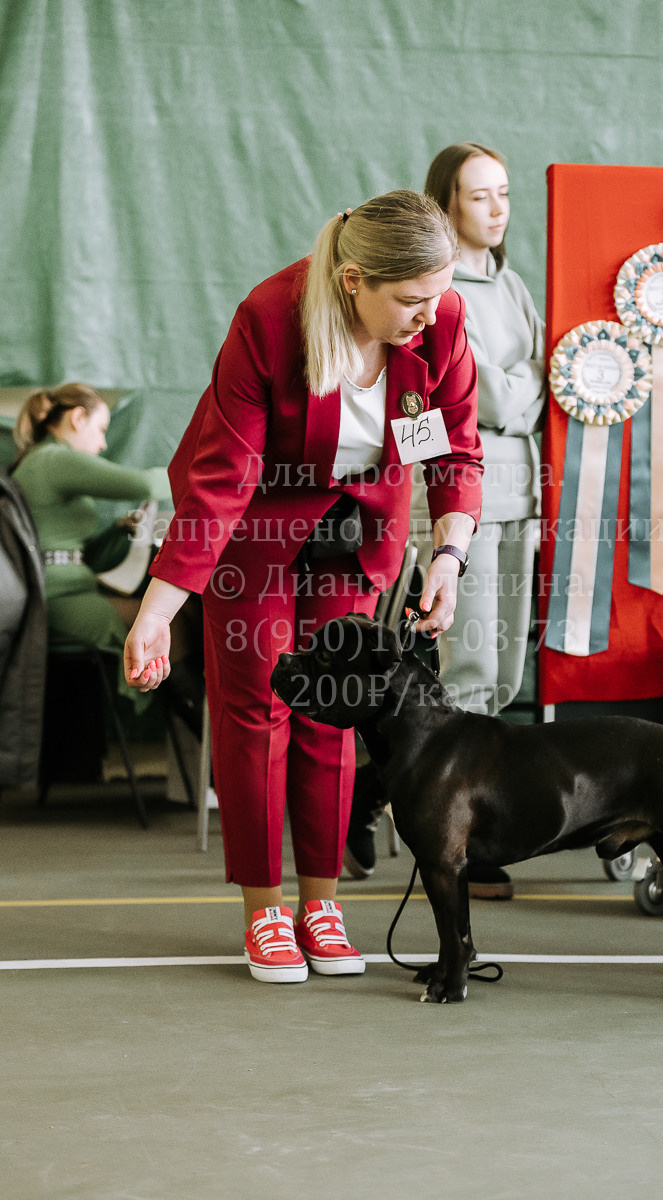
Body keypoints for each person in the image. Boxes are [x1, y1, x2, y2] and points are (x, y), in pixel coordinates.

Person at [123, 190, 483, 985]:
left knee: (334, 708)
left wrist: (449, 558)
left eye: (440, 293)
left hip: (359, 525)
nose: (432, 315)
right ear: (354, 281)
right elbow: (223, 478)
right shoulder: (270, 319)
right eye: (412, 301)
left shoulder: (442, 319)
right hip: (253, 520)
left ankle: (321, 905)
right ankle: (262, 908)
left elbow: (454, 453)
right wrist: (158, 611)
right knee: (256, 706)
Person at [344, 144, 545, 900]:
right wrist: (519, 384)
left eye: (504, 193)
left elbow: (531, 386)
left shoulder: (513, 285)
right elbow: (484, 402)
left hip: (522, 491)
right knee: (462, 677)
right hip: (460, 505)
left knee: (501, 674)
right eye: (480, 196)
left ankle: (413, 810)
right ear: (445, 205)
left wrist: (516, 386)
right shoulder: (431, 294)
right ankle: (424, 820)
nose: (497, 209)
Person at [10, 383, 196, 717]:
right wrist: (207, 470)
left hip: (62, 591)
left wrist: (115, 532)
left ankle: (195, 726)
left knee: (181, 616)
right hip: (54, 599)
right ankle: (198, 721)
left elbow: (79, 557)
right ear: (77, 418)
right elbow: (146, 484)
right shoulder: (54, 459)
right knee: (176, 622)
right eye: (101, 429)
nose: (104, 443)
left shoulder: (40, 461)